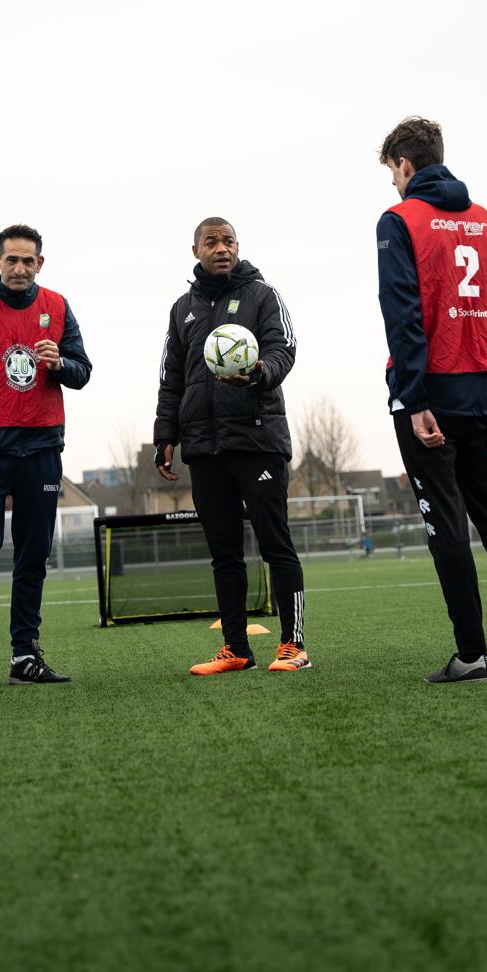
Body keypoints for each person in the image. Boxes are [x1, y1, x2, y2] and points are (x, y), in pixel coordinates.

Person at [376, 117, 487, 682]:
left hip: (429, 398)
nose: (393, 183)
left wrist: (414, 397)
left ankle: (473, 656)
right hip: (483, 393)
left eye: (392, 172)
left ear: (405, 164)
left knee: (446, 526)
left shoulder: (398, 220)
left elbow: (402, 314)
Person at [154, 217, 308, 675]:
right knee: (224, 553)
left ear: (238, 247)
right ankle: (236, 649)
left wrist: (260, 372)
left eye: (229, 241)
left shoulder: (263, 295)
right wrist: (166, 435)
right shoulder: (183, 307)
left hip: (257, 439)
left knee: (275, 543)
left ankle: (293, 644)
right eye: (212, 241)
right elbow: (172, 377)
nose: (221, 248)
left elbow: (285, 348)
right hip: (204, 446)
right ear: (196, 249)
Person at [0, 223, 92, 688]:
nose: (19, 268)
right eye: (11, 259)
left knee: (34, 553)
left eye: (28, 260)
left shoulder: (57, 306)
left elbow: (82, 371)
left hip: (43, 448)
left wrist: (60, 364)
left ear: (40, 264)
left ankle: (25, 654)